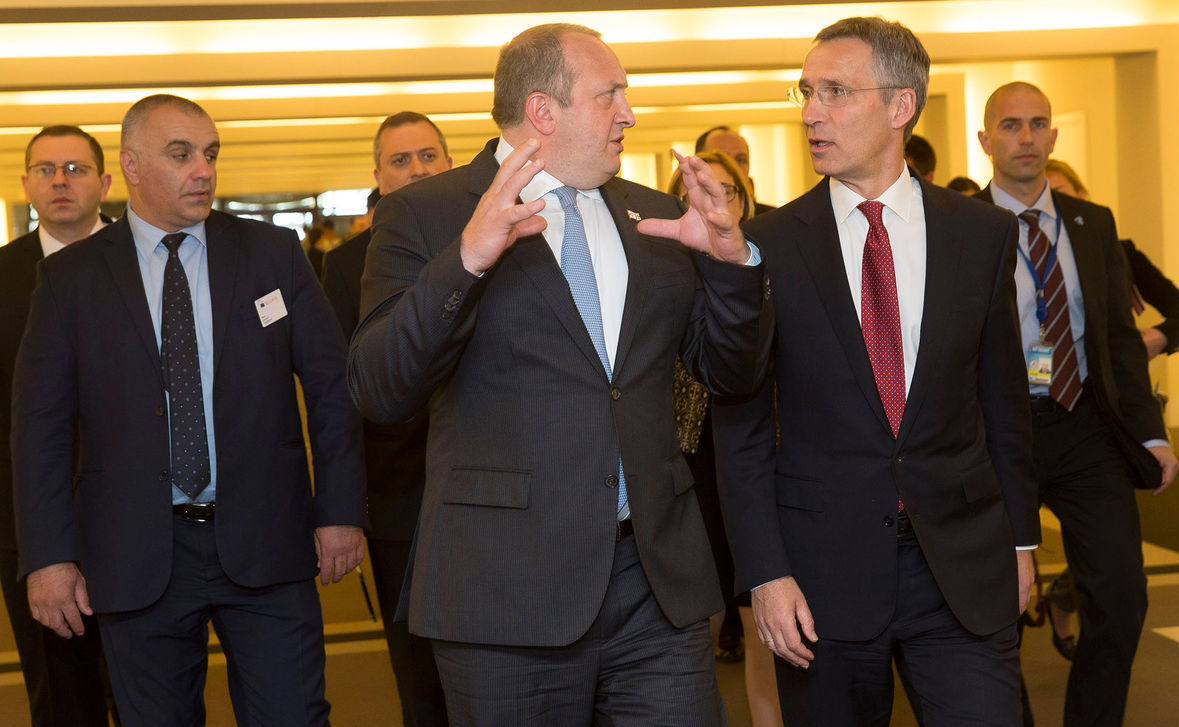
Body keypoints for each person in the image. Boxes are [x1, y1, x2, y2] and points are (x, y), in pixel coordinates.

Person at [347, 22, 771, 724]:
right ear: (543, 111)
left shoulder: (655, 215)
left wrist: (731, 267)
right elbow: (381, 387)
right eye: (610, 96)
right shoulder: (426, 214)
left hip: (654, 583)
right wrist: (466, 261)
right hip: (506, 591)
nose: (629, 113)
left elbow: (731, 374)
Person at [714, 17, 1038, 725]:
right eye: (806, 91)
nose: (811, 112)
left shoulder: (981, 232)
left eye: (835, 91)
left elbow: (1001, 401)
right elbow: (740, 428)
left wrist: (1021, 540)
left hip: (961, 566)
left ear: (900, 105)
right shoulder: (767, 245)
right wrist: (764, 572)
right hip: (820, 579)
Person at [11, 94, 367, 726]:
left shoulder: (271, 254)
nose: (203, 169)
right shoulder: (72, 278)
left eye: (210, 153)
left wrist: (340, 510)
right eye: (181, 155)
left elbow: (331, 389)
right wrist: (48, 556)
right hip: (134, 550)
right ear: (131, 165)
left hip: (267, 539)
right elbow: (39, 427)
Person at [974, 81, 1179, 726]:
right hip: (996, 433)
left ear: (1054, 137)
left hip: (1085, 424)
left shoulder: (1093, 224)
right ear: (985, 141)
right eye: (1011, 125)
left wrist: (1151, 434)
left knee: (1121, 598)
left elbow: (1118, 338)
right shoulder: (960, 226)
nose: (1026, 137)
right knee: (996, 608)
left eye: (1038, 124)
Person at [322, 110, 452, 727]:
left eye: (428, 156)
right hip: (399, 496)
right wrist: (343, 508)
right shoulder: (347, 266)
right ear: (378, 176)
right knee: (419, 674)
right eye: (400, 160)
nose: (417, 169)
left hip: (500, 490)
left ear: (450, 163)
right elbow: (340, 391)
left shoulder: (505, 237)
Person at [1, 125, 117, 727]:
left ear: (106, 181)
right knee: (61, 698)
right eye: (45, 170)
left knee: (155, 690)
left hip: (143, 516)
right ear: (26, 185)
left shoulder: (151, 262)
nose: (60, 181)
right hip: (30, 524)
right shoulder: (2, 276)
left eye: (75, 168)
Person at [668, 150, 782, 727]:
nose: (714, 201)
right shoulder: (662, 264)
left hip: (760, 449)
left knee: (765, 608)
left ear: (745, 198)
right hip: (688, 457)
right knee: (696, 614)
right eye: (696, 191)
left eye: (727, 190)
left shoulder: (768, 261)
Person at [1045, 159, 1179, 360]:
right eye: (1045, 199)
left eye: (1060, 194)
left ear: (1081, 196)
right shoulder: (1024, 258)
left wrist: (1161, 337)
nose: (1055, 206)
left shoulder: (1120, 253)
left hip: (1116, 374)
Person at [696, 125, 778, 213]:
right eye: (722, 158)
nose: (734, 167)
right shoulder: (686, 217)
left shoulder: (773, 218)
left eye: (740, 160)